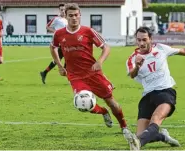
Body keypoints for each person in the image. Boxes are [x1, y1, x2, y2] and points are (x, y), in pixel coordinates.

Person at [50, 3, 138, 150]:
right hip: (75, 76)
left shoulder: (88, 31)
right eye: (70, 15)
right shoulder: (59, 34)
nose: (74, 18)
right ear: (65, 16)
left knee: (112, 102)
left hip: (93, 73)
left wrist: (100, 61)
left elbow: (106, 47)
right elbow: (53, 47)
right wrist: (59, 65)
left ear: (80, 15)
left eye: (76, 15)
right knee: (83, 105)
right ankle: (103, 112)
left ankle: (125, 128)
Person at [126, 26, 185, 149]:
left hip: (165, 92)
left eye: (144, 40)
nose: (141, 43)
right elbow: (132, 74)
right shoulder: (132, 58)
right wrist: (138, 66)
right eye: (138, 40)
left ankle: (138, 143)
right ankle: (163, 137)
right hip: (147, 95)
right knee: (141, 134)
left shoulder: (161, 48)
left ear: (150, 39)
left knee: (155, 120)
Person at [40, 3, 68, 84]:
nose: (63, 11)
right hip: (60, 43)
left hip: (67, 42)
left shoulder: (67, 19)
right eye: (61, 10)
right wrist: (56, 32)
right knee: (64, 59)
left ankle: (44, 72)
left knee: (58, 60)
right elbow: (47, 26)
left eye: (64, 9)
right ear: (59, 10)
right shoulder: (56, 19)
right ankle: (69, 77)